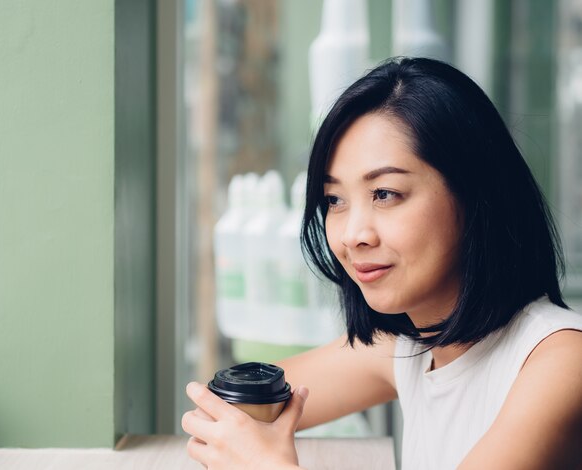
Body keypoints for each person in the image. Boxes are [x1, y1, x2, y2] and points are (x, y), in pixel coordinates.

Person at [181, 57, 582, 469]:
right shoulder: (413, 345)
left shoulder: (561, 362)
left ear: (475, 197)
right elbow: (227, 407)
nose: (353, 235)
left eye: (385, 193)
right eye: (335, 200)